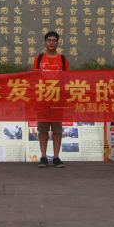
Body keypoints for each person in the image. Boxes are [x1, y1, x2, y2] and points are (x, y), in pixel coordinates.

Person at [33, 31, 69, 168]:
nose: (51, 42)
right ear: (45, 42)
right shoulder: (39, 58)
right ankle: (43, 156)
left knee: (57, 129)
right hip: (42, 98)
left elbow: (68, 79)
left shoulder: (63, 59)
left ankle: (56, 157)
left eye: (54, 40)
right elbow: (33, 77)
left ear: (58, 43)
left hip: (58, 99)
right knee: (43, 129)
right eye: (49, 40)